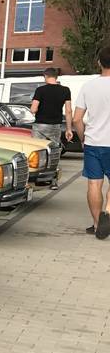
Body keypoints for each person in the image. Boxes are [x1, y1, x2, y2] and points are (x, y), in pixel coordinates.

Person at [72, 46, 110, 238]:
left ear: (99, 63)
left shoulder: (88, 86)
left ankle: (97, 225)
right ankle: (109, 212)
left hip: (93, 142)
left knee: (94, 184)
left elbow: (77, 119)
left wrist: (83, 138)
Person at [31, 68, 72, 189]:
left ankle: (37, 179)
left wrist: (35, 109)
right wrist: (69, 129)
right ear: (56, 77)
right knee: (54, 152)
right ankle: (53, 181)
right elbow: (68, 111)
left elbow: (33, 109)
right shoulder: (65, 90)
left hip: (40, 125)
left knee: (38, 152)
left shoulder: (40, 90)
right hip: (55, 126)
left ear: (45, 76)